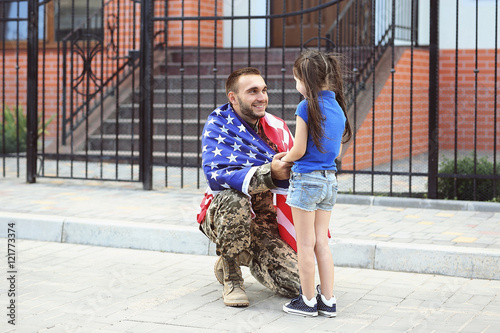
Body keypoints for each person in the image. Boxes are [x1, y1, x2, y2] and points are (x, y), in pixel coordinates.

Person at [197, 67, 300, 307]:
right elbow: (218, 175)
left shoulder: (276, 128)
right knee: (236, 197)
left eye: (264, 90)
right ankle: (232, 275)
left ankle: (241, 251)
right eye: (253, 91)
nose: (262, 97)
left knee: (294, 284)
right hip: (223, 213)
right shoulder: (218, 126)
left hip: (264, 220)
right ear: (233, 97)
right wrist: (270, 172)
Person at [281, 49, 352, 317]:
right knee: (321, 242)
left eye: (297, 79)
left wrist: (284, 158)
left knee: (304, 244)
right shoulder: (338, 108)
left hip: (306, 181)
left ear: (306, 81)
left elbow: (298, 150)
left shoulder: (305, 106)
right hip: (328, 181)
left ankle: (308, 301)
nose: (296, 85)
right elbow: (334, 154)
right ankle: (329, 300)